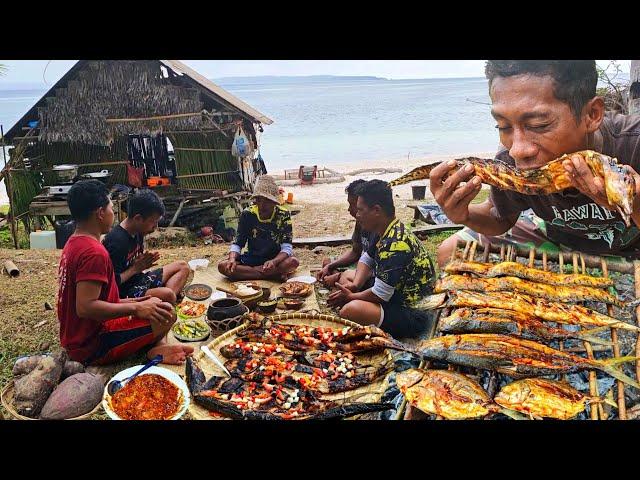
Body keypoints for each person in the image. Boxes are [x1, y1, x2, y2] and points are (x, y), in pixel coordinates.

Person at [431, 60, 640, 267]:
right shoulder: (509, 159)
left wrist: (636, 203)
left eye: (538, 125)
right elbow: (500, 218)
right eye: (503, 126)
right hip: (554, 239)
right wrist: (464, 214)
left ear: (592, 115)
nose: (518, 150)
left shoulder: (634, 144)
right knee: (451, 251)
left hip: (632, 249)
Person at [57, 180, 193, 366]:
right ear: (100, 213)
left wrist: (141, 302)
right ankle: (155, 348)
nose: (114, 213)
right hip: (90, 345)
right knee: (167, 314)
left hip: (79, 336)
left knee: (158, 306)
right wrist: (136, 308)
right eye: (111, 207)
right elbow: (85, 307)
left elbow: (103, 300)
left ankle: (154, 342)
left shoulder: (74, 243)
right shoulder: (93, 252)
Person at [327, 180, 436, 338]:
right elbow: (366, 258)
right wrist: (355, 285)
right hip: (394, 294)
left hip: (414, 312)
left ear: (376, 210)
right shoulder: (387, 229)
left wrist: (351, 296)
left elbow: (380, 294)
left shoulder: (395, 244)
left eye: (360, 210)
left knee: (349, 310)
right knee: (347, 277)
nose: (357, 215)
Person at [103, 190, 190, 303]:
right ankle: (164, 301)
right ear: (138, 219)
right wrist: (135, 269)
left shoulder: (138, 231)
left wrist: (139, 264)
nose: (155, 227)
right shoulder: (117, 242)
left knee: (183, 266)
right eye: (153, 222)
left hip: (139, 279)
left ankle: (162, 301)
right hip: (125, 292)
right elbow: (111, 283)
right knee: (168, 294)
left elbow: (133, 266)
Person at [218, 175, 299, 281]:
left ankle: (252, 274)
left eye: (267, 201)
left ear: (274, 202)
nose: (262, 205)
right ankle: (269, 275)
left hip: (275, 259)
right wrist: (232, 258)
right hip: (252, 258)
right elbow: (238, 243)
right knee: (223, 266)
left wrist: (274, 262)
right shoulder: (247, 214)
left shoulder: (283, 215)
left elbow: (287, 247)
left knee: (293, 262)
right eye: (259, 200)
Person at [315, 179, 378, 288]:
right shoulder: (361, 222)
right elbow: (355, 252)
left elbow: (376, 269)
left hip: (371, 273)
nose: (349, 209)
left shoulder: (378, 229)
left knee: (344, 279)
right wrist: (330, 266)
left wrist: (339, 275)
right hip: (361, 264)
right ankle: (340, 280)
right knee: (327, 263)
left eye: (352, 205)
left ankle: (342, 281)